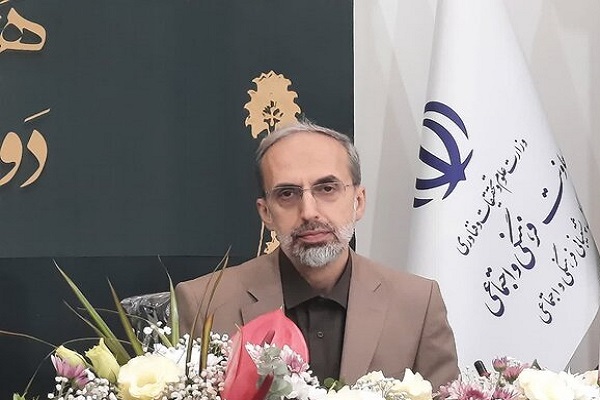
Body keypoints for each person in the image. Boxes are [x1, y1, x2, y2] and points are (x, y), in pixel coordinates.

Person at [175, 121, 459, 388]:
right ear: (266, 213)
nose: (309, 212)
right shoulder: (205, 304)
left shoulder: (417, 304)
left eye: (327, 188)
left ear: (358, 201)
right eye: (287, 194)